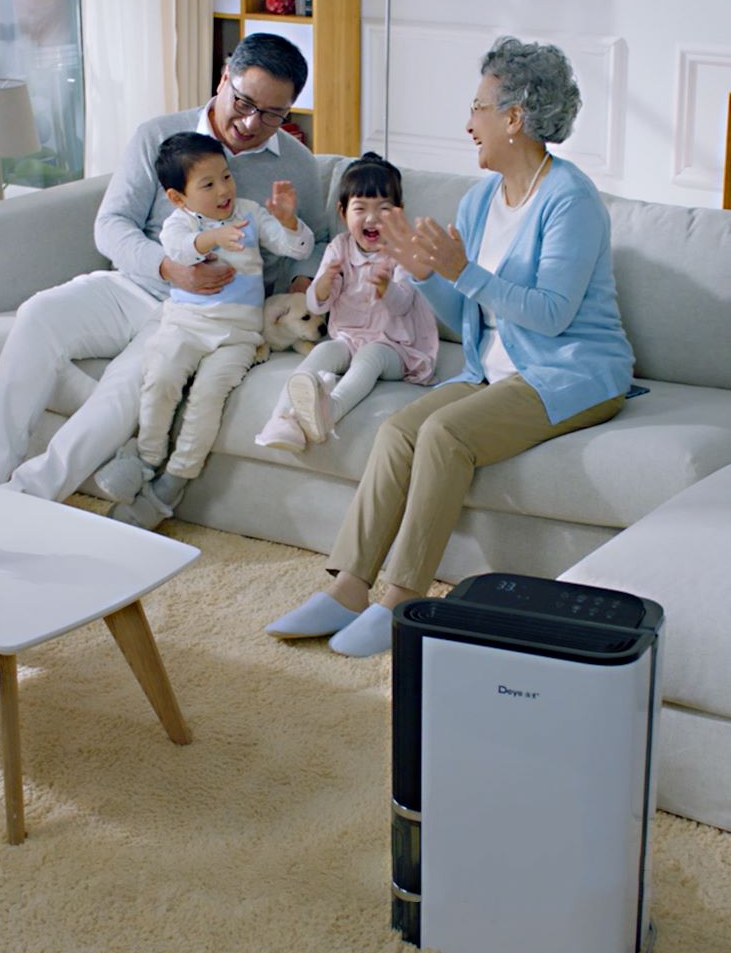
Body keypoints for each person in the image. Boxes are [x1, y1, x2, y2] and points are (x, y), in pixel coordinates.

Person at [265, 35, 635, 657]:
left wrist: (460, 269)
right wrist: (422, 275)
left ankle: (401, 599)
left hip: (573, 372)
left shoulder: (571, 200)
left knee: (445, 434)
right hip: (494, 370)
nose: (468, 124)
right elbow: (467, 317)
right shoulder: (480, 198)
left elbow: (551, 316)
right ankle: (348, 588)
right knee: (398, 431)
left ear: (514, 118)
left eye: (478, 108)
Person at [0, 33, 326, 503]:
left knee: (128, 391)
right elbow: (111, 224)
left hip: (202, 317)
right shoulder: (157, 135)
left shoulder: (298, 164)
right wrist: (170, 268)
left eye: (272, 114)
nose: (251, 123)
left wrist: (301, 287)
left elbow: (314, 239)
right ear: (224, 79)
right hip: (133, 285)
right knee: (38, 314)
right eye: (244, 102)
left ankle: (26, 497)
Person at [95, 132, 314, 529]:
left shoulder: (250, 214)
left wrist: (288, 222)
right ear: (178, 197)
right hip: (186, 325)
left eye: (226, 177)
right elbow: (180, 251)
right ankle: (146, 458)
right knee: (160, 379)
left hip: (238, 336)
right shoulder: (177, 224)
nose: (224, 190)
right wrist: (213, 237)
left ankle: (175, 480)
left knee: (208, 398)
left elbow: (297, 249)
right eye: (208, 184)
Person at [255, 152, 439, 454]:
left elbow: (403, 305)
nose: (372, 218)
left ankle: (330, 411)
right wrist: (323, 284)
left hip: (394, 348)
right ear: (343, 213)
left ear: (399, 212)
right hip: (348, 339)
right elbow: (317, 307)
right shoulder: (338, 248)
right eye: (361, 208)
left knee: (371, 355)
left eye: (383, 209)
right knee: (324, 350)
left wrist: (386, 289)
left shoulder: (403, 252)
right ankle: (281, 420)